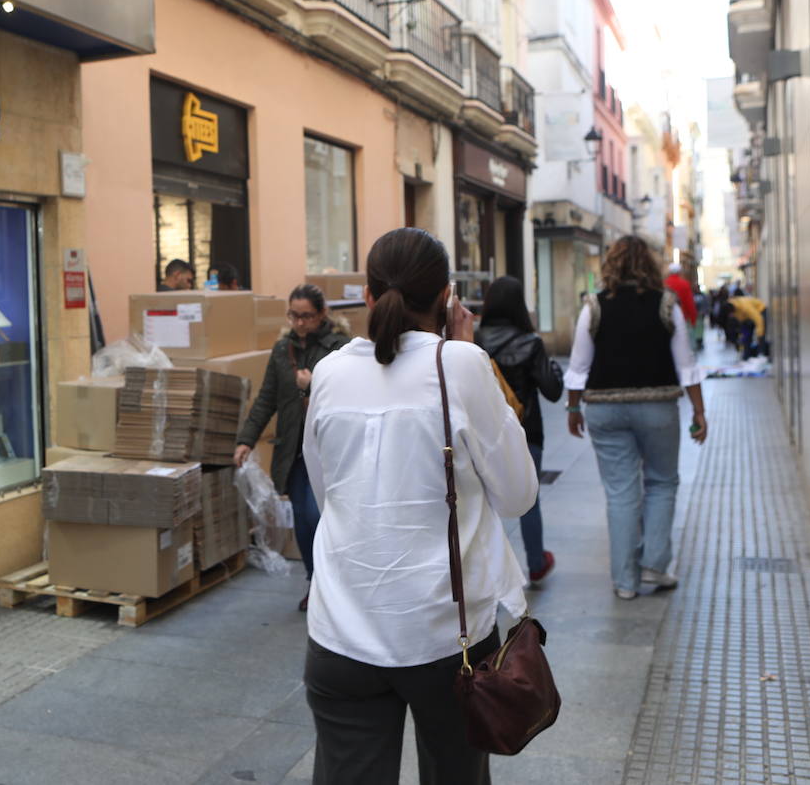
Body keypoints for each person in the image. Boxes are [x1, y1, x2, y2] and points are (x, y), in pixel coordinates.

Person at [301, 228, 537, 784]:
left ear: (366, 294)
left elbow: (324, 490)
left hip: (341, 629)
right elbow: (518, 495)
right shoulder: (461, 365)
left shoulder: (330, 372)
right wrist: (466, 347)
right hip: (447, 637)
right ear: (448, 297)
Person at [566, 236, 707, 601]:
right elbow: (686, 365)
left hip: (604, 409)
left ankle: (625, 582)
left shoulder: (593, 306)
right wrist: (699, 411)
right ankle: (655, 566)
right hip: (658, 407)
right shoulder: (667, 304)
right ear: (649, 264)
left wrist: (572, 408)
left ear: (611, 264)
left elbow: (578, 366)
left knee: (620, 493)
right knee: (661, 483)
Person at [235, 284, 350, 610]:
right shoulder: (281, 349)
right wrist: (246, 439)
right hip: (294, 451)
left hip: (330, 450)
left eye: (307, 316)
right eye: (294, 316)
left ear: (322, 314)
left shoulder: (341, 348)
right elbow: (266, 397)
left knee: (319, 517)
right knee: (302, 518)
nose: (300, 323)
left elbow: (351, 392)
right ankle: (315, 582)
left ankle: (334, 586)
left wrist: (312, 384)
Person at [475, 275, 563, 586]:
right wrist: (554, 369)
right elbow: (552, 391)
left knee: (483, 501)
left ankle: (491, 572)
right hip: (527, 433)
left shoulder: (474, 340)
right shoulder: (531, 342)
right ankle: (536, 563)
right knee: (529, 498)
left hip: (484, 435)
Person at [728, 293, 768, 359]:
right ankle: (746, 355)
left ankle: (761, 354)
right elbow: (742, 324)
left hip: (760, 310)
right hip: (747, 317)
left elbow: (758, 319)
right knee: (746, 335)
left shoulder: (745, 307)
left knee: (761, 334)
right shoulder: (732, 308)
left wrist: (760, 333)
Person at [664, 262, 697, 327]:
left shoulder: (664, 283)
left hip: (667, 317)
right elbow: (689, 302)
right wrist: (693, 319)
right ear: (679, 272)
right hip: (682, 317)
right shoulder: (684, 284)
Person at [691, 285, 710, 352]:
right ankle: (697, 340)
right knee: (695, 328)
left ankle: (700, 341)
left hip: (701, 315)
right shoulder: (692, 295)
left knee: (700, 328)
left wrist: (703, 312)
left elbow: (706, 304)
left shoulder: (702, 295)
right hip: (694, 315)